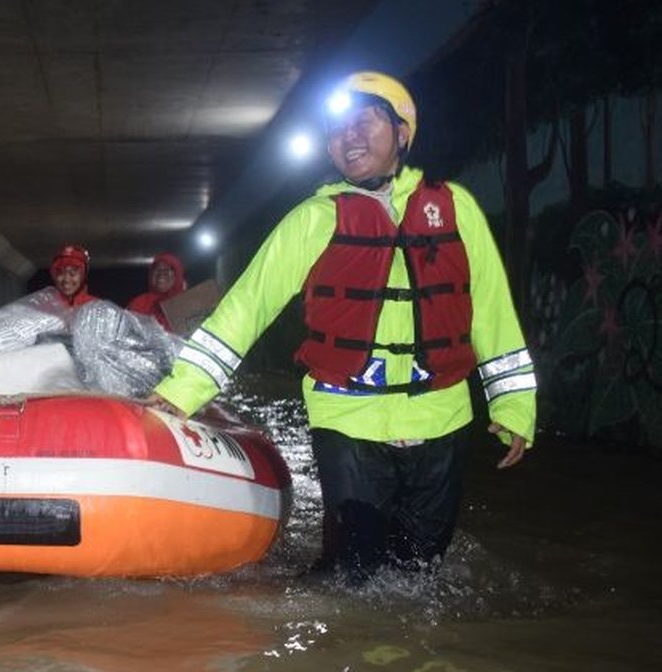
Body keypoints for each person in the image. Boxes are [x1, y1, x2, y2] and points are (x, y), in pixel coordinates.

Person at [150, 71, 536, 582]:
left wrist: (514, 405)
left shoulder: (456, 208)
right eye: (336, 129)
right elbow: (246, 307)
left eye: (365, 121)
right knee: (355, 575)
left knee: (420, 577)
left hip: (442, 417)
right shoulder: (313, 219)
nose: (348, 136)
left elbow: (490, 309)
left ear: (402, 132)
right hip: (347, 417)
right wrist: (181, 392)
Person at [126, 252, 186, 331]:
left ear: (177, 275)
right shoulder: (139, 303)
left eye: (167, 270)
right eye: (157, 270)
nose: (161, 274)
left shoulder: (188, 304)